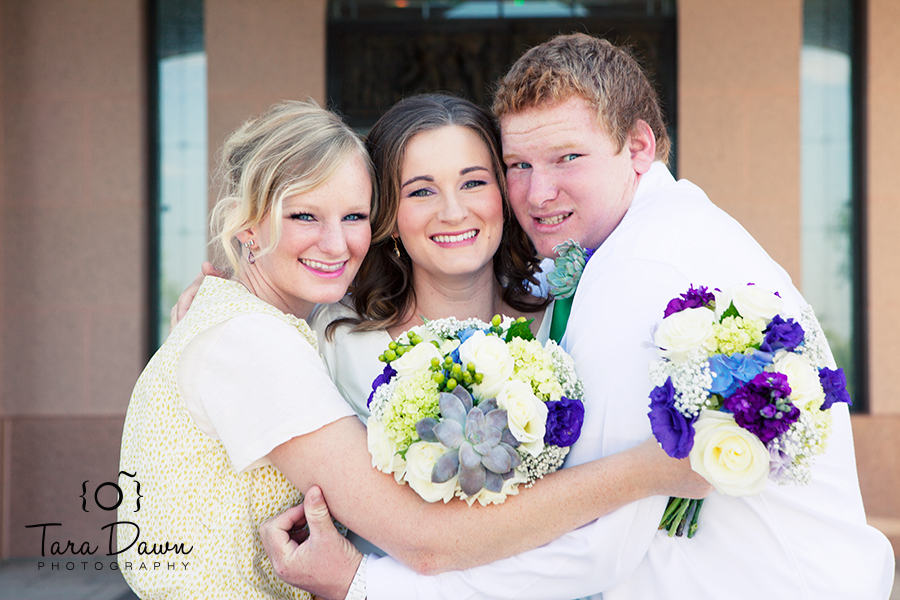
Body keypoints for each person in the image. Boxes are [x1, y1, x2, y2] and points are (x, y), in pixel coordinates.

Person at [261, 34, 896, 599]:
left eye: (569, 158)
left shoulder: (637, 272)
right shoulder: (653, 238)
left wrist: (365, 587)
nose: (539, 193)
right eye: (519, 166)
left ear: (638, 146)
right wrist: (242, 288)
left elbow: (593, 544)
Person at [129, 98, 710, 600]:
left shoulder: (570, 312)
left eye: (474, 181)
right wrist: (656, 470)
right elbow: (422, 539)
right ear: (394, 214)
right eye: (421, 189)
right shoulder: (325, 338)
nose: (452, 210)